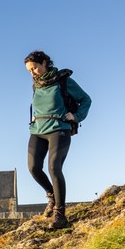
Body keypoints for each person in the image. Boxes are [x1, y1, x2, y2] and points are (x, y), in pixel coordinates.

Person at [25, 50, 91, 229]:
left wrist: (76, 116)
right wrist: (35, 117)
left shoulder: (63, 81)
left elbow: (86, 100)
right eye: (29, 70)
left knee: (54, 167)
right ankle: (52, 196)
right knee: (33, 168)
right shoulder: (36, 86)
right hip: (37, 131)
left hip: (59, 129)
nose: (32, 73)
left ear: (45, 63)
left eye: (34, 68)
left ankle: (60, 214)